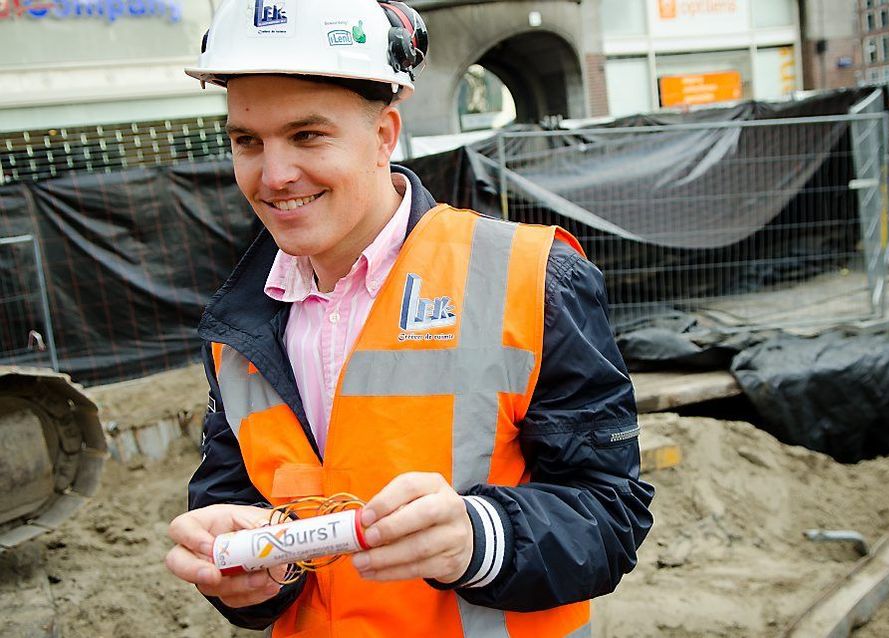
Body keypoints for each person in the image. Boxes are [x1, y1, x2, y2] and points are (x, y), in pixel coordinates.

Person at [162, 1, 654, 636]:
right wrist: (242, 576)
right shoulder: (238, 329)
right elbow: (236, 514)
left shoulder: (530, 279)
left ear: (385, 135)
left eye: (307, 135)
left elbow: (611, 515)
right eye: (247, 141)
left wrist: (480, 540)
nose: (274, 175)